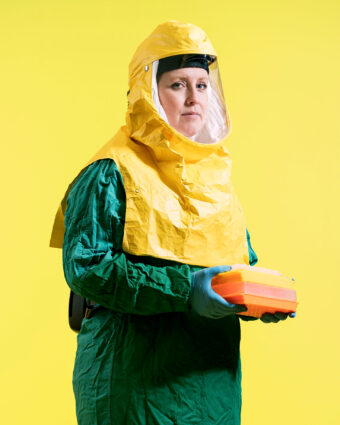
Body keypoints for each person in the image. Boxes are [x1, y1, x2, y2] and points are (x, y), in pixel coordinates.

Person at [50, 21, 291, 425]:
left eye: (201, 85)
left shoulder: (216, 181)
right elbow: (87, 269)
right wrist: (185, 290)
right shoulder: (111, 172)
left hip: (213, 386)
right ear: (150, 93)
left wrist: (253, 298)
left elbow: (236, 263)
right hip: (133, 382)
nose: (194, 98)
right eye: (178, 85)